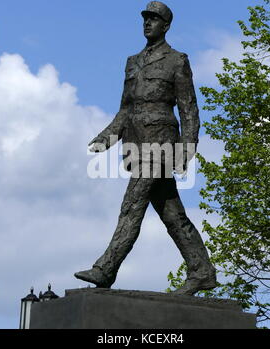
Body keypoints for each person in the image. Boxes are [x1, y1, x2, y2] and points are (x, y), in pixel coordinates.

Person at [75, 1, 216, 295]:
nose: (148, 23)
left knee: (131, 206)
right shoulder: (132, 62)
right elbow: (125, 109)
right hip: (135, 146)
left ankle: (105, 270)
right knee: (172, 215)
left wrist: (186, 150)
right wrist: (106, 137)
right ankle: (202, 270)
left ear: (166, 26)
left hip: (161, 145)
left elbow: (188, 109)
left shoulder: (177, 60)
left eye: (154, 19)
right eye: (145, 18)